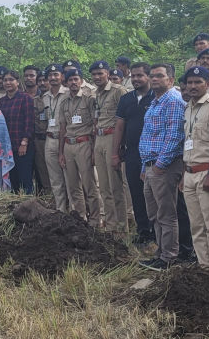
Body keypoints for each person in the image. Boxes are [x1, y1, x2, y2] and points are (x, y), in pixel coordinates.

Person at [179, 66, 209, 268]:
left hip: (207, 171)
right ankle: (204, 264)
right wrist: (184, 173)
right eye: (189, 82)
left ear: (207, 84)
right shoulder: (188, 107)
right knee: (196, 224)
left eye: (197, 82)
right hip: (190, 172)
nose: (192, 86)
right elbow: (188, 141)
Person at [139, 63, 186, 270]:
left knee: (166, 214)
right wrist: (144, 167)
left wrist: (159, 165)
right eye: (152, 76)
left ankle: (169, 257)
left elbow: (174, 136)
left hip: (164, 166)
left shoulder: (174, 101)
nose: (154, 79)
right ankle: (160, 252)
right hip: (149, 166)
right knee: (154, 214)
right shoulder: (155, 102)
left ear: (171, 80)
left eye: (159, 76)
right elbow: (148, 135)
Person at [114, 62, 155, 245]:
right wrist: (116, 152)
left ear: (149, 77)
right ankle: (143, 231)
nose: (136, 79)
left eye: (140, 75)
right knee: (136, 193)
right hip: (132, 153)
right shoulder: (126, 99)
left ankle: (157, 232)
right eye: (133, 76)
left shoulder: (157, 97)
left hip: (153, 155)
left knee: (153, 195)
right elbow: (120, 126)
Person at [58, 66, 100, 222]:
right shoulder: (64, 102)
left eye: (76, 79)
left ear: (81, 81)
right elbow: (62, 128)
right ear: (67, 83)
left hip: (84, 143)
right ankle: (80, 217)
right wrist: (61, 152)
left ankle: (96, 219)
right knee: (73, 185)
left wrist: (94, 150)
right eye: (70, 80)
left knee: (90, 184)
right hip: (69, 145)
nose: (73, 82)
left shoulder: (89, 99)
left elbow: (95, 125)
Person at [90, 61, 126, 231]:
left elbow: (124, 119)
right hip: (99, 137)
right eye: (94, 74)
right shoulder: (95, 94)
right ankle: (111, 226)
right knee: (104, 187)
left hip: (113, 137)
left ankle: (122, 226)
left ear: (107, 73)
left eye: (100, 73)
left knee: (116, 186)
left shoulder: (118, 91)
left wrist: (119, 148)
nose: (97, 77)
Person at [0, 70, 34, 194]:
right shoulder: (2, 102)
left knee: (25, 179)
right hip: (7, 147)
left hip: (23, 146)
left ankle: (29, 208)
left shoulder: (25, 98)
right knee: (13, 180)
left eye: (11, 80)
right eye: (5, 80)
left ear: (17, 82)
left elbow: (29, 122)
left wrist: (24, 142)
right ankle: (16, 209)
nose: (8, 82)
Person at [41, 65, 70, 210]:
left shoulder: (69, 93)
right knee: (55, 179)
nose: (53, 78)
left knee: (70, 178)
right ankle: (61, 210)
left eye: (56, 74)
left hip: (65, 139)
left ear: (62, 77)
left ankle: (76, 212)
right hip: (50, 139)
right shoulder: (45, 97)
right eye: (50, 75)